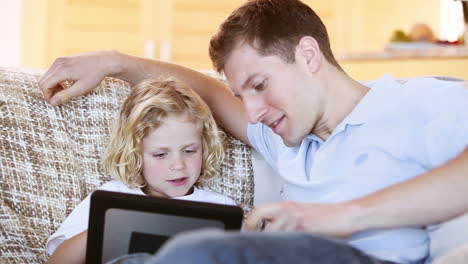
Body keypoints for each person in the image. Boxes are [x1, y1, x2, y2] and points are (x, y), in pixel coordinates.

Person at [39, 0, 468, 263]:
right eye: (244, 96)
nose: (255, 113)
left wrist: (344, 215)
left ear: (307, 55)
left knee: (193, 254)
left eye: (259, 85)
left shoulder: (418, 103)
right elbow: (203, 87)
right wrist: (115, 62)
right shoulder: (286, 135)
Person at [46, 78, 237, 264]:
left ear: (204, 146)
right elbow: (58, 261)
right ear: (134, 153)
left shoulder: (220, 207)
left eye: (189, 151)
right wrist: (102, 227)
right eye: (161, 154)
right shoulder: (112, 198)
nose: (178, 165)